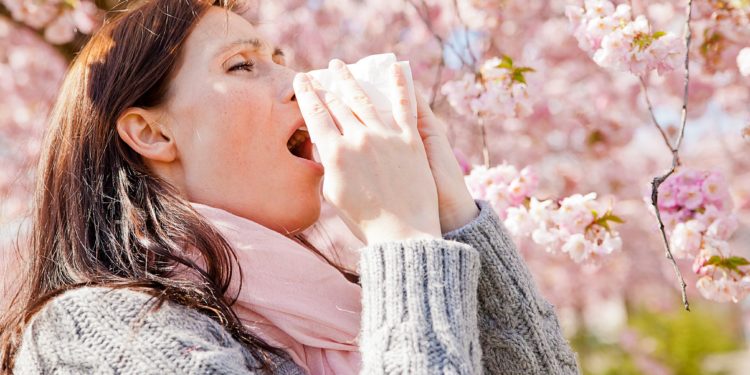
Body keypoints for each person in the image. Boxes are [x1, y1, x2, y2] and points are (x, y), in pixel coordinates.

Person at [0, 0, 581, 374]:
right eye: (242, 65)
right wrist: (403, 242)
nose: (299, 83)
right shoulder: (94, 333)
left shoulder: (354, 298)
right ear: (152, 132)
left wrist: (451, 211)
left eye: (280, 58)